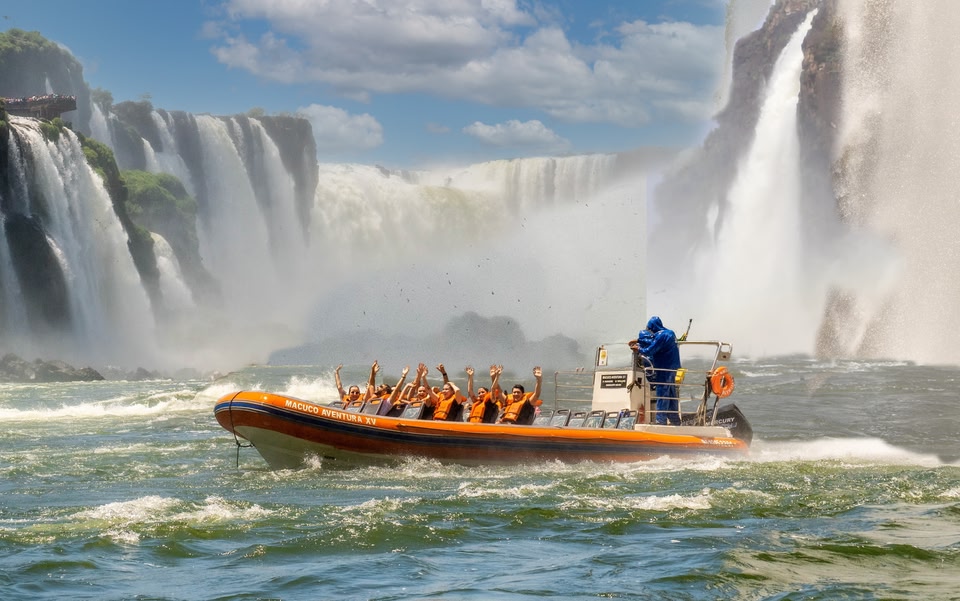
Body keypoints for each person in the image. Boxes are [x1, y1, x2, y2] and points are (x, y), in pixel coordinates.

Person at [632, 316, 681, 425]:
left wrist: (638, 348)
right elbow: (653, 340)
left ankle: (660, 421)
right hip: (673, 367)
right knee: (671, 394)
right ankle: (675, 420)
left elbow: (650, 350)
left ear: (653, 327)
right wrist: (639, 340)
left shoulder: (660, 336)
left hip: (664, 367)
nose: (650, 331)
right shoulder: (670, 333)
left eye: (650, 328)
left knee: (662, 393)